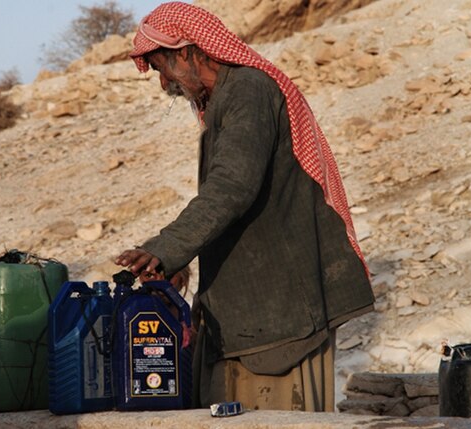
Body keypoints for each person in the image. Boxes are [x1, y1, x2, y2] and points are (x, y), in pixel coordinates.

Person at [115, 2, 374, 411]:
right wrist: (173, 261)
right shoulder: (226, 99)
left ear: (185, 51)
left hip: (276, 317)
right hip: (249, 314)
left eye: (162, 67)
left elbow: (233, 186)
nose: (163, 82)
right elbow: (225, 201)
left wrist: (167, 247)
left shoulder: (249, 89)